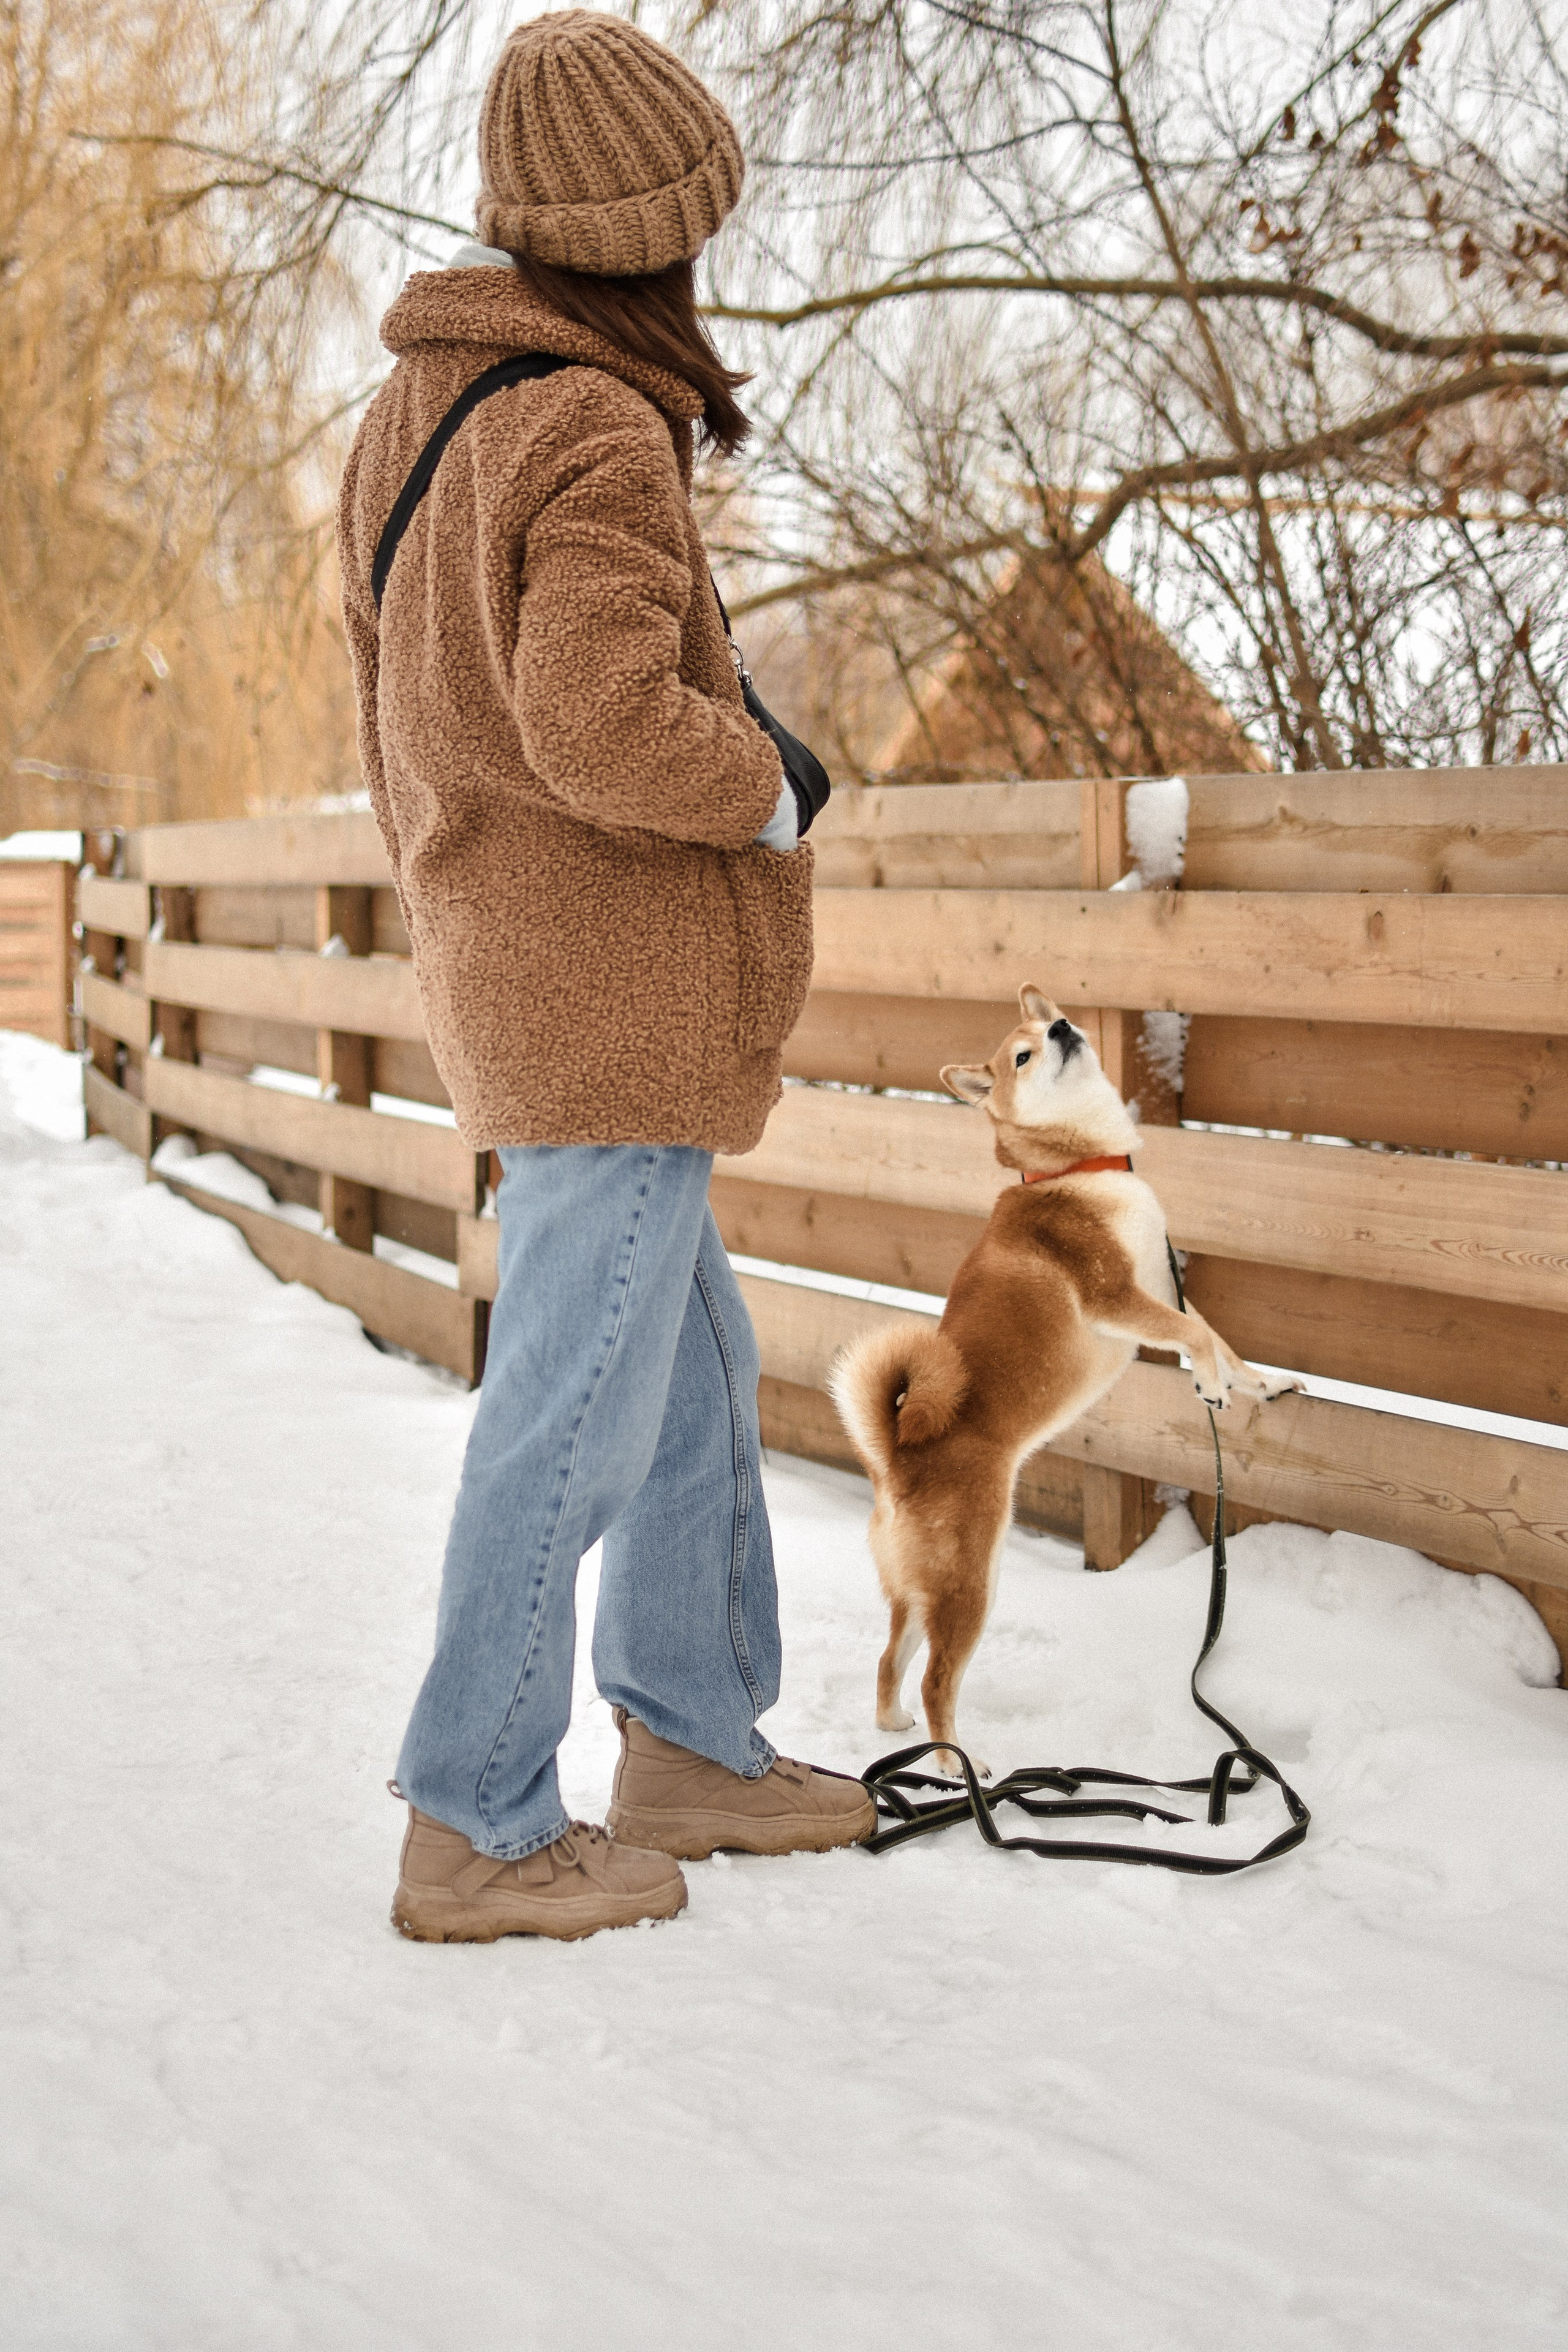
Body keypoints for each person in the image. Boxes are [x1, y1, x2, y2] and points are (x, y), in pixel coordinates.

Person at [336, 9, 874, 1943]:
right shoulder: (588, 420)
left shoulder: (420, 415)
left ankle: (694, 1743)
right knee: (570, 1411)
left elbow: (433, 716)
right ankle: (476, 1815)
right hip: (613, 995)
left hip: (519, 962)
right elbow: (594, 719)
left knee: (695, 1373)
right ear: (646, 235)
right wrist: (771, 789)